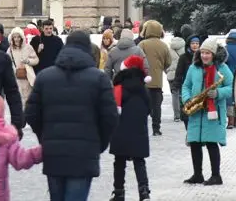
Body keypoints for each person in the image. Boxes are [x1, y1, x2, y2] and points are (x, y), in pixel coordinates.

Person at [25, 30, 119, 201]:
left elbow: (31, 113)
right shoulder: (99, 79)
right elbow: (110, 117)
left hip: (54, 154)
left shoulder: (45, 77)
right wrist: (98, 145)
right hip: (84, 154)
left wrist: (44, 137)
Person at [181, 38, 234, 186]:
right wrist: (187, 99)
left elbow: (231, 88)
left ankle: (216, 175)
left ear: (214, 54)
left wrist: (218, 93)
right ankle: (197, 174)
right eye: (202, 53)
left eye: (208, 53)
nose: (204, 56)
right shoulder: (194, 68)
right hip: (196, 111)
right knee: (195, 143)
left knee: (211, 143)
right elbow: (186, 86)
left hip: (213, 112)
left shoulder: (222, 69)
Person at [110, 55, 153, 201]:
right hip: (138, 130)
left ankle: (118, 192)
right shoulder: (143, 89)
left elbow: (111, 110)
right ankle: (144, 191)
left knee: (119, 162)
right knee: (139, 161)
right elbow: (149, 109)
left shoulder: (118, 89)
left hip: (120, 130)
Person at [138, 20, 173, 137]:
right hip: (157, 82)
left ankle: (141, 128)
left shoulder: (142, 44)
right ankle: (156, 128)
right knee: (156, 107)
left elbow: (137, 59)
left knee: (142, 106)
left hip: (143, 81)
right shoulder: (163, 45)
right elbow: (168, 62)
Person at [7, 27, 38, 102]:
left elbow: (36, 60)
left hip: (27, 78)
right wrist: (14, 69)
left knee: (28, 100)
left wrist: (28, 61)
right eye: (14, 37)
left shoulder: (28, 47)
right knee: (18, 100)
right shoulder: (10, 50)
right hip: (16, 79)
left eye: (18, 37)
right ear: (12, 38)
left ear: (22, 37)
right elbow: (6, 63)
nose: (17, 39)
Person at [168, 25, 190, 122]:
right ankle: (183, 112)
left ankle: (176, 115)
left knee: (174, 94)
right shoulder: (185, 48)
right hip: (182, 74)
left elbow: (166, 62)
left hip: (171, 75)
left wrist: (168, 71)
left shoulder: (169, 49)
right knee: (183, 93)